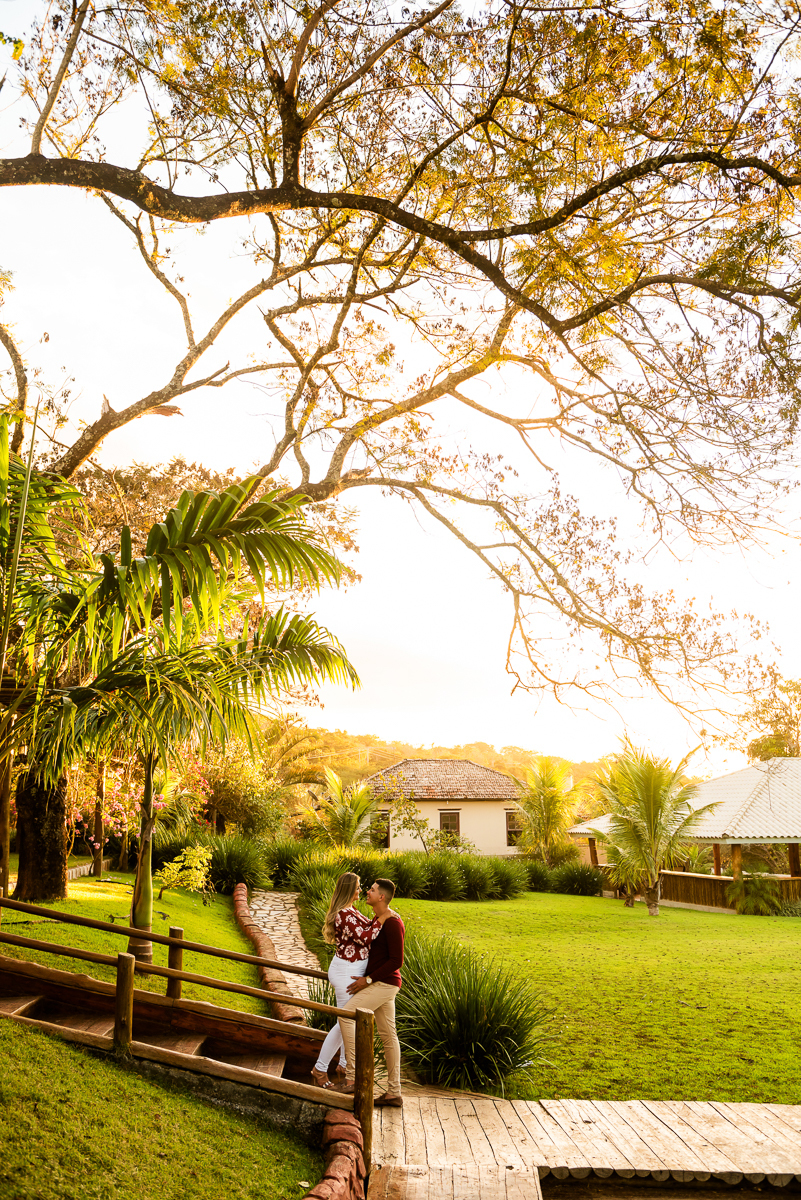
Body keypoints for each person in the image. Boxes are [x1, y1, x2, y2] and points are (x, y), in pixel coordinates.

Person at [337, 877, 405, 1108]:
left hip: (385, 984)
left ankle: (354, 1075)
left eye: (372, 890)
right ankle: (394, 1093)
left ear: (381, 897)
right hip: (382, 983)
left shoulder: (393, 923)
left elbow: (397, 960)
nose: (368, 891)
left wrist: (368, 979)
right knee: (388, 1036)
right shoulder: (377, 919)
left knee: (346, 1015)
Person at [311, 872, 375, 1089]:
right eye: (358, 887)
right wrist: (385, 917)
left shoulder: (351, 911)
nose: (360, 890)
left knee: (350, 1022)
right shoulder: (343, 915)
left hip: (351, 970)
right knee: (343, 1023)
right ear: (349, 889)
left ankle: (345, 1065)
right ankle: (320, 1069)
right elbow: (366, 937)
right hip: (346, 973)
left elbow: (368, 929)